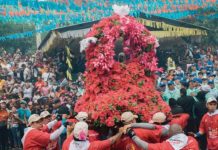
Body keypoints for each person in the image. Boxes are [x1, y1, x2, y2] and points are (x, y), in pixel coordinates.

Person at [127, 124, 199, 150]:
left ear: (169, 134)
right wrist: (132, 125)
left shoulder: (166, 146)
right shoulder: (192, 140)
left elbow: (146, 146)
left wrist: (133, 136)